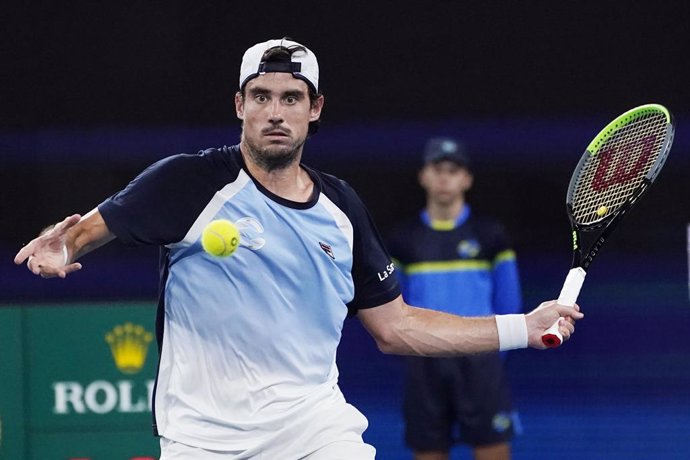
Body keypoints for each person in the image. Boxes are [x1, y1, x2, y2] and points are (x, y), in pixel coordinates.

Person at [14, 38, 583, 460]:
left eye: (292, 98)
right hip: (203, 438)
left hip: (314, 430)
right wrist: (58, 250)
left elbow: (398, 327)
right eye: (261, 96)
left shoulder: (342, 209)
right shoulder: (186, 183)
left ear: (314, 109)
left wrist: (523, 328)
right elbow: (85, 232)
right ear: (240, 105)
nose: (275, 112)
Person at [387, 137, 522, 460]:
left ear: (467, 179)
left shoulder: (490, 235)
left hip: (481, 363)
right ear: (424, 176)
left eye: (453, 169)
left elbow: (509, 304)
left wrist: (488, 352)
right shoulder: (404, 241)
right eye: (437, 169)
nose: (445, 177)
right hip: (425, 364)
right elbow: (394, 308)